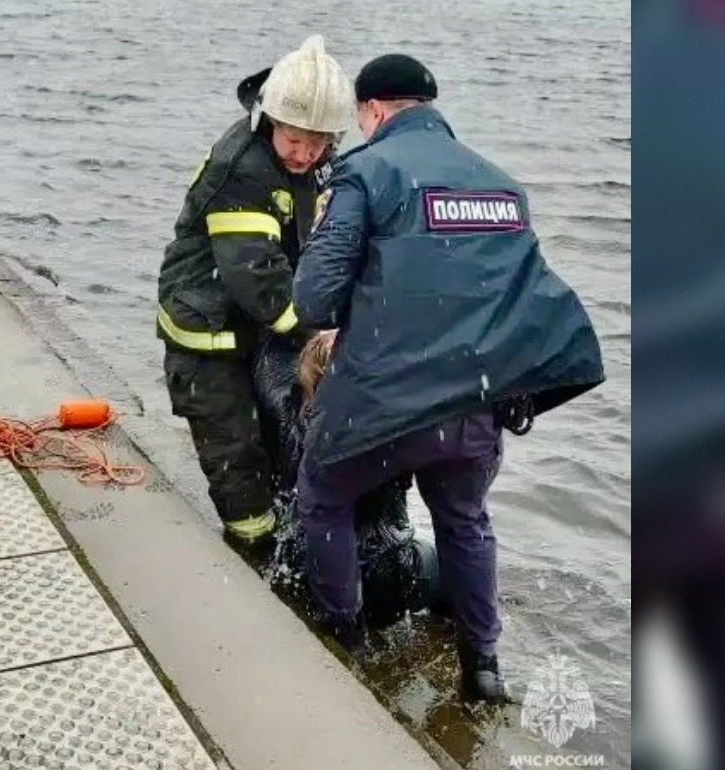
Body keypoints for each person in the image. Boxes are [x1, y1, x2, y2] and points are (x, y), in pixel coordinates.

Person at [292, 54, 605, 701]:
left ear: (373, 111)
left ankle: (344, 640)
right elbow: (529, 302)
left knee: (323, 496)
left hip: (378, 405)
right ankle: (483, 667)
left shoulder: (365, 171)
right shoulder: (500, 185)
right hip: (472, 406)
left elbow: (316, 297)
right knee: (465, 522)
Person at [156, 36, 356, 542]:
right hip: (207, 331)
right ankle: (253, 548)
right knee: (235, 453)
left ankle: (293, 538)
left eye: (319, 144)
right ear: (268, 120)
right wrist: (319, 335)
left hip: (258, 325)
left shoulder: (309, 159)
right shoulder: (241, 170)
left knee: (278, 439)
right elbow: (258, 279)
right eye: (295, 140)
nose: (305, 154)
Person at [262, 330, 444, 630]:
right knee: (449, 565)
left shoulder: (294, 417)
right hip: (390, 579)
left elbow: (270, 371)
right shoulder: (392, 426)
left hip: (312, 574)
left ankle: (345, 635)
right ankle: (466, 637)